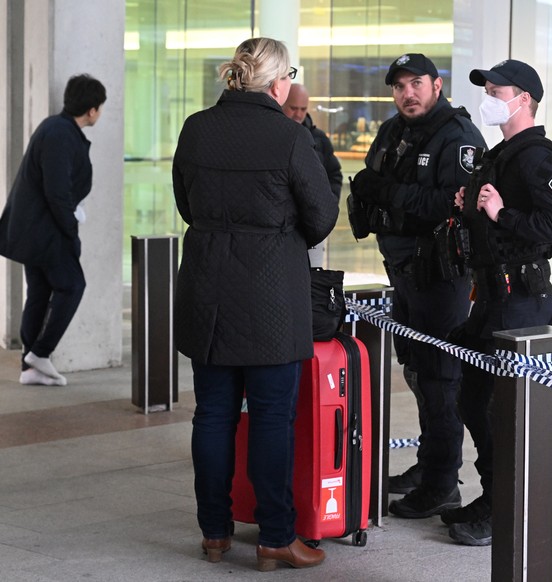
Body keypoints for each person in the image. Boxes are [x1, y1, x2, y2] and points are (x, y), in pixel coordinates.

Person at [172, 37, 338, 570]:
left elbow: (185, 201)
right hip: (271, 300)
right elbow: (322, 217)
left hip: (208, 295)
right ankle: (274, 537)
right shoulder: (289, 138)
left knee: (213, 416)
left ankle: (214, 534)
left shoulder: (197, 129)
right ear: (277, 83)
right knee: (271, 420)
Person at [443, 59, 552, 546]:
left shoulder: (538, 157)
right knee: (474, 400)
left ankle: (508, 507)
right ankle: (496, 494)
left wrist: (502, 213)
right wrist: (472, 210)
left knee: (504, 410)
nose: (489, 97)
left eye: (497, 91)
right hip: (491, 298)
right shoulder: (500, 154)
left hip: (521, 302)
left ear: (523, 100)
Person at [349, 53, 486, 518]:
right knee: (416, 372)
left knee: (441, 377)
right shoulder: (393, 131)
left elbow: (452, 204)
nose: (407, 93)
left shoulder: (458, 136)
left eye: (416, 84)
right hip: (402, 270)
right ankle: (430, 464)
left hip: (441, 276)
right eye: (399, 86)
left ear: (437, 85)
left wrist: (386, 193)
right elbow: (366, 183)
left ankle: (443, 482)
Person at [0, 74, 107, 387]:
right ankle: (40, 353)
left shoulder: (57, 128)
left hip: (34, 231)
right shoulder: (60, 133)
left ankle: (30, 368)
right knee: (72, 286)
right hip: (45, 232)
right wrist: (72, 229)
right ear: (91, 110)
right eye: (99, 107)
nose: (99, 113)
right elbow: (57, 191)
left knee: (40, 293)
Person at [282, 83, 343, 267]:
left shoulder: (318, 139)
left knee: (313, 281)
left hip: (311, 228)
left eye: (303, 109)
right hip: (282, 229)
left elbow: (334, 175)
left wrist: (324, 209)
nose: (298, 114)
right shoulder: (274, 136)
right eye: (293, 108)